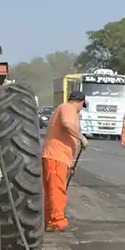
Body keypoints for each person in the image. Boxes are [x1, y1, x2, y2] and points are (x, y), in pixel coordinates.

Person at [41, 91, 88, 232]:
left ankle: (50, 220)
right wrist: (81, 138)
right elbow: (67, 124)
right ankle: (57, 221)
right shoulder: (68, 108)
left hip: (58, 157)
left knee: (52, 190)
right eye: (82, 106)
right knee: (56, 190)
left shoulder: (64, 108)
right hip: (56, 156)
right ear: (80, 102)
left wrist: (71, 162)